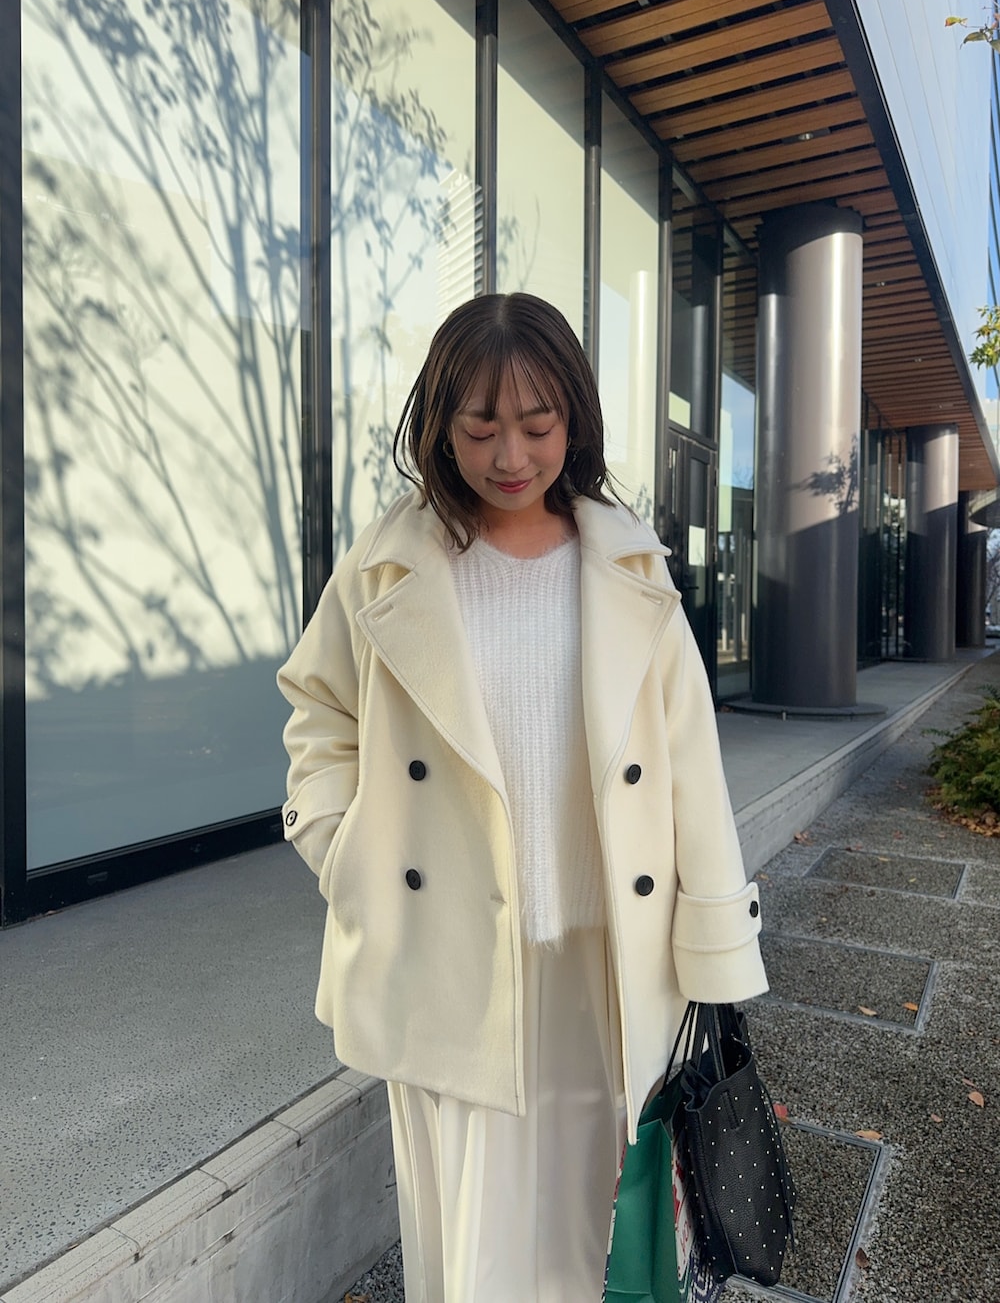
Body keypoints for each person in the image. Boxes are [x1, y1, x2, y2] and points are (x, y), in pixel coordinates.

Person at [277, 292, 768, 1302]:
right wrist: (345, 848)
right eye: (481, 425)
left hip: (607, 959)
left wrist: (715, 945)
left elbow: (691, 765)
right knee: (472, 1241)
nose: (511, 454)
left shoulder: (627, 564)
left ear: (573, 420)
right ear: (439, 424)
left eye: (538, 425)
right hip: (445, 951)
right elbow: (318, 714)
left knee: (598, 1231)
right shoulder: (387, 563)